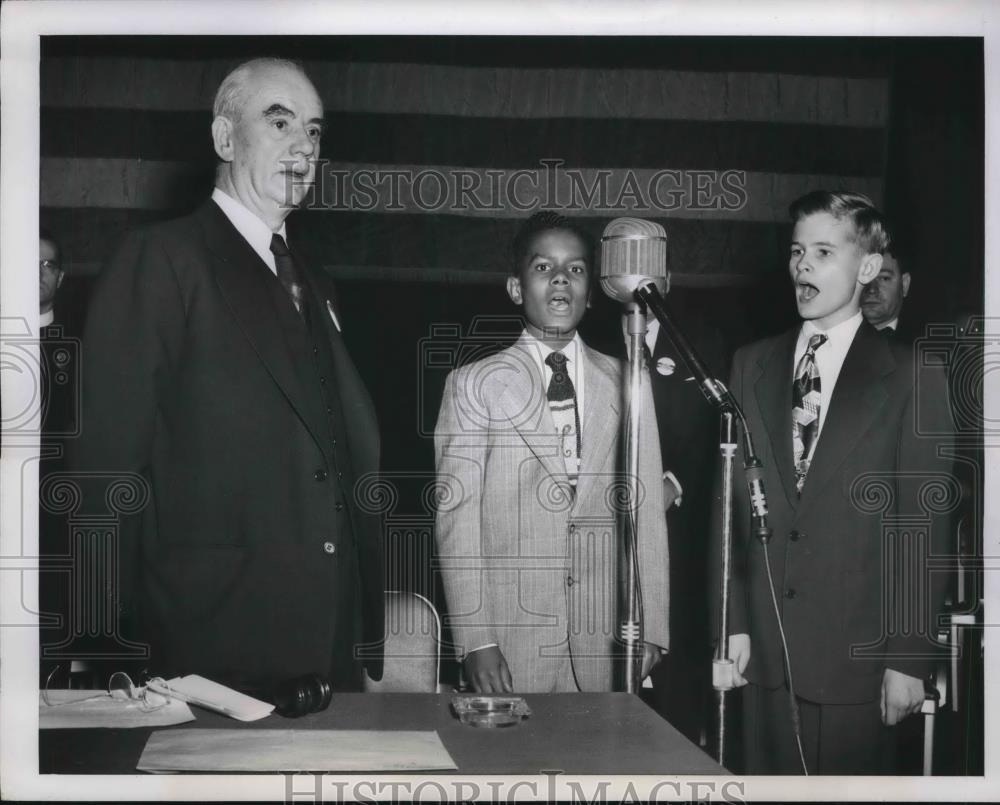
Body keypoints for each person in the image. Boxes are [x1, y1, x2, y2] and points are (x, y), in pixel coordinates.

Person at [71, 58, 384, 692]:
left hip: (324, 642)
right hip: (206, 641)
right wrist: (105, 643)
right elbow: (105, 467)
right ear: (223, 139)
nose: (303, 144)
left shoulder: (313, 280)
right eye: (279, 121)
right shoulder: (162, 258)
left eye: (316, 131)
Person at [718, 191, 954, 774]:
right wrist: (732, 624)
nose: (803, 265)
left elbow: (920, 528)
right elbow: (729, 511)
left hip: (859, 665)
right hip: (764, 658)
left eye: (824, 251)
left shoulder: (912, 374)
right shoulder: (752, 364)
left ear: (869, 267)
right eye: (797, 251)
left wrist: (909, 659)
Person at [434, 211, 670, 693]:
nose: (561, 278)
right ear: (516, 288)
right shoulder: (473, 385)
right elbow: (456, 519)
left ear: (590, 290)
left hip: (607, 640)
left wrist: (655, 628)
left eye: (577, 268)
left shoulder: (628, 380)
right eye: (543, 268)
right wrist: (476, 639)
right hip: (511, 641)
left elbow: (645, 513)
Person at [612, 284, 727, 743]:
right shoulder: (585, 338)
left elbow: (719, 431)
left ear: (668, 275)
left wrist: (674, 484)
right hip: (605, 540)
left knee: (674, 704)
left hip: (680, 540)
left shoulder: (701, 342)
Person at [861, 243, 911, 336]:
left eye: (884, 278)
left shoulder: (926, 345)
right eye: (865, 276)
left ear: (904, 284)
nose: (872, 290)